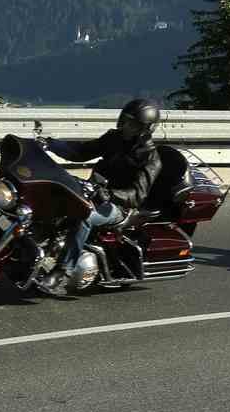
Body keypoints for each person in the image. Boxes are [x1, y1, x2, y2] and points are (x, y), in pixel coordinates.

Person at [37, 98, 164, 294]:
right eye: (125, 120)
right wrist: (51, 144)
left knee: (84, 216)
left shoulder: (150, 158)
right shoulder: (114, 139)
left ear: (144, 128)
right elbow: (81, 151)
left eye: (131, 123)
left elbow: (137, 195)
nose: (125, 125)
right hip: (95, 193)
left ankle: (62, 271)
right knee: (53, 198)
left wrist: (110, 194)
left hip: (120, 207)